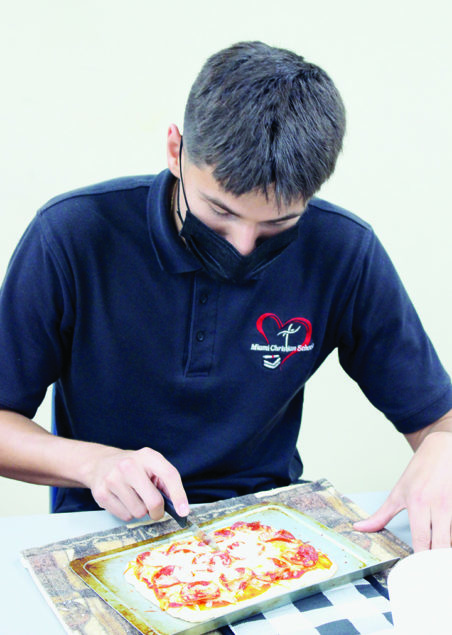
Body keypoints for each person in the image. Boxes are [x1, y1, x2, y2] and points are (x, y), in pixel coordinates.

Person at [0, 41, 450, 552]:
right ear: (175, 150)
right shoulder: (74, 235)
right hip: (104, 532)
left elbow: (437, 417)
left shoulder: (343, 249)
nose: (241, 248)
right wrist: (93, 463)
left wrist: (442, 446)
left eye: (277, 224)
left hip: (272, 531)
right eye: (220, 214)